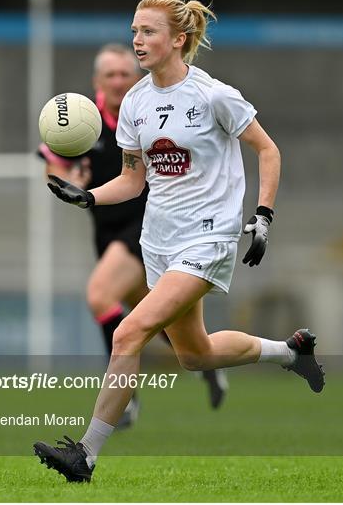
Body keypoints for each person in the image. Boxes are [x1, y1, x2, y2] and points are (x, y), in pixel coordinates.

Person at [34, 0, 325, 482]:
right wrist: (89, 198)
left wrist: (264, 216)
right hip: (159, 242)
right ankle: (291, 352)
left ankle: (85, 454)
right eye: (134, 31)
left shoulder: (214, 95)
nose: (137, 42)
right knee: (195, 354)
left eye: (148, 32)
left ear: (178, 40)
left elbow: (268, 150)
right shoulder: (136, 104)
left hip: (208, 240)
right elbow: (133, 180)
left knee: (128, 332)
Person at [37, 44, 228, 428]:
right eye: (111, 75)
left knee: (99, 295)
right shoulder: (79, 118)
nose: (119, 81)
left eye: (126, 74)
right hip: (106, 231)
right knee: (157, 324)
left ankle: (126, 400)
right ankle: (205, 363)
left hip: (149, 225)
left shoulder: (148, 111)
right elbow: (54, 166)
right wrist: (72, 182)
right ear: (98, 82)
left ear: (136, 77)